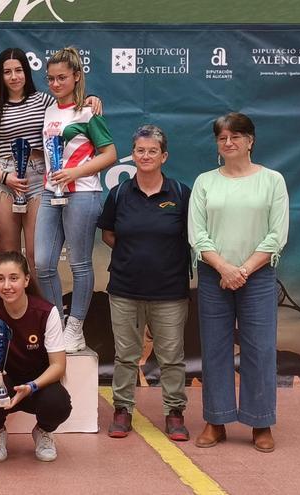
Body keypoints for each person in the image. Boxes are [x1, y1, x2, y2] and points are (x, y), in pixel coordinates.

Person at [188, 112, 289, 453]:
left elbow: (277, 234)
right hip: (214, 275)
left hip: (257, 276)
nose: (228, 143)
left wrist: (242, 270)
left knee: (259, 350)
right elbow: (197, 234)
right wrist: (223, 268)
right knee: (214, 350)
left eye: (235, 136)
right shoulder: (205, 182)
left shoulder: (272, 180)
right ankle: (216, 421)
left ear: (250, 140)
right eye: (222, 138)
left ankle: (260, 423)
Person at [96, 125, 191, 441]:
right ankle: (122, 409)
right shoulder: (120, 193)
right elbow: (108, 233)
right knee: (125, 355)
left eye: (153, 151)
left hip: (170, 292)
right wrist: (132, 254)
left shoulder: (180, 193)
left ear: (164, 156)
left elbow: (191, 237)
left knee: (171, 357)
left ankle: (174, 412)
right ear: (132, 155)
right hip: (125, 289)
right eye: (140, 150)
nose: (146, 156)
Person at [0, 48, 101, 277]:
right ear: (0, 76)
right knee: (8, 254)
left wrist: (90, 97)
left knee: (36, 256)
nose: (14, 77)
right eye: (7, 72)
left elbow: (69, 107)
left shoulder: (43, 100)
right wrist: (5, 177)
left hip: (40, 179)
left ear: (27, 72)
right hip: (4, 179)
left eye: (19, 70)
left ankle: (40, 311)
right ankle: (11, 311)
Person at [36, 47, 117, 353]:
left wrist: (75, 172)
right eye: (51, 79)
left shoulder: (87, 110)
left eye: (62, 78)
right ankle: (57, 324)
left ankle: (75, 328)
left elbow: (109, 154)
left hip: (82, 191)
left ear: (76, 77)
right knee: (43, 263)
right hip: (49, 191)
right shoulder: (48, 109)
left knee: (80, 264)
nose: (56, 84)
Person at [0, 251, 71, 462]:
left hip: (37, 386)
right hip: (5, 385)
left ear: (26, 280)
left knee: (59, 402)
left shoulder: (47, 312)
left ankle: (44, 431)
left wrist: (32, 386)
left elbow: (58, 366)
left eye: (14, 278)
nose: (6, 285)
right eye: (0, 279)